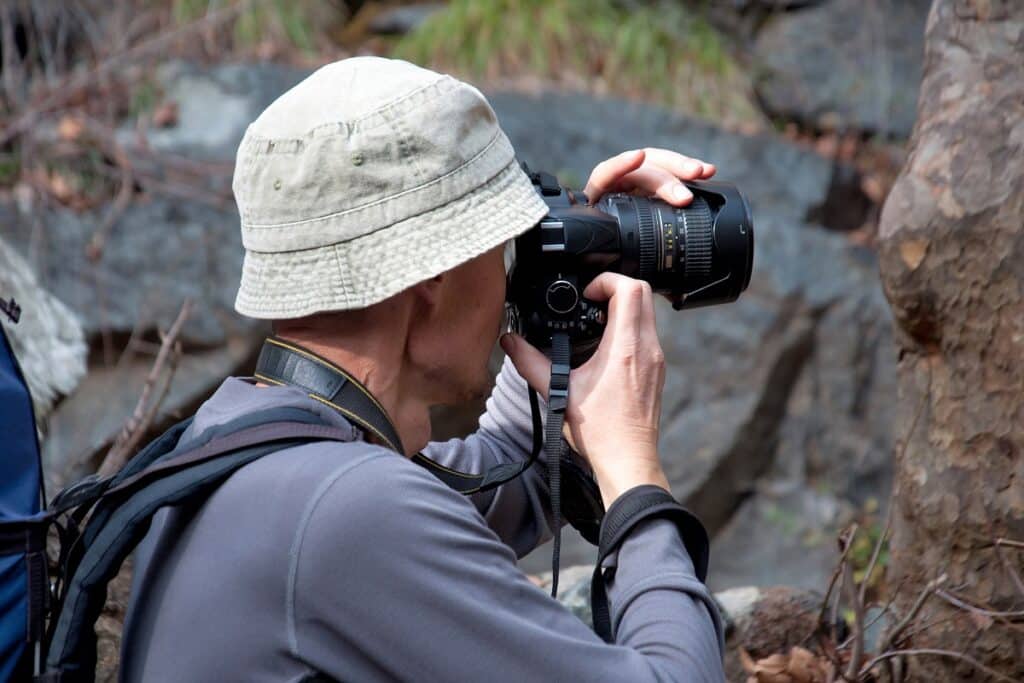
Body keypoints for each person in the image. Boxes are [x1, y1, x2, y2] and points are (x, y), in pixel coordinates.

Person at [120, 56, 725, 682]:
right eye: (502, 251)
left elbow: (502, 480)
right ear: (436, 275)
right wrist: (635, 474)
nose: (509, 281)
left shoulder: (245, 440)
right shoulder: (349, 513)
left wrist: (575, 272)